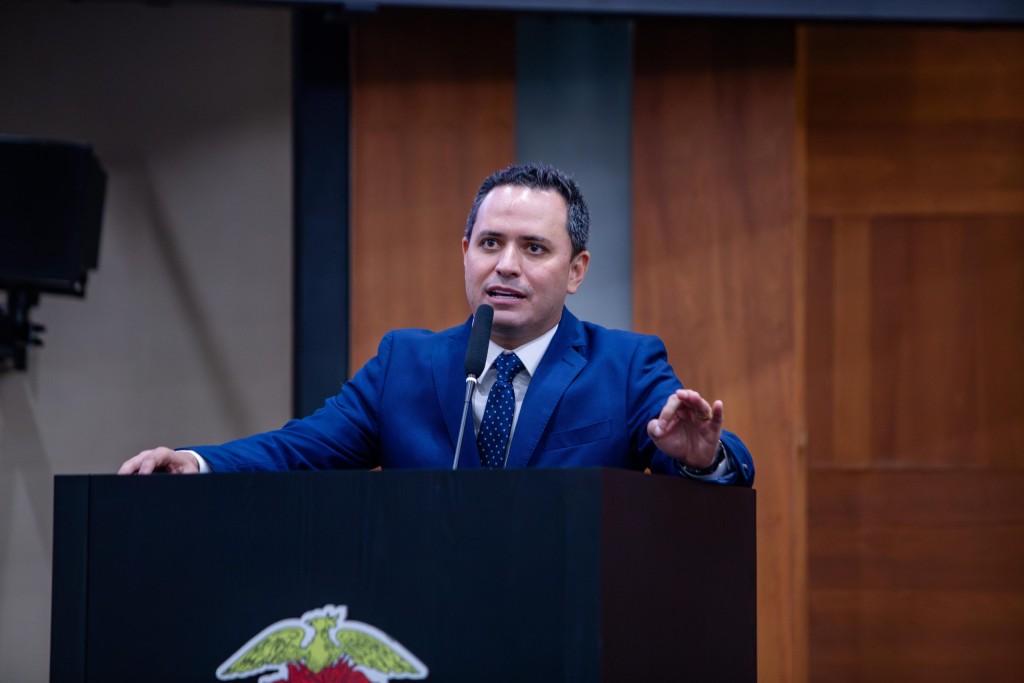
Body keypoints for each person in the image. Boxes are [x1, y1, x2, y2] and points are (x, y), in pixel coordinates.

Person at [120, 162, 753, 485]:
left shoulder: (625, 366)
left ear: (576, 270)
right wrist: (196, 463)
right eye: (490, 243)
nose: (506, 266)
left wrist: (705, 459)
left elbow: (710, 465)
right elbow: (300, 449)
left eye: (534, 248)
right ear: (465, 252)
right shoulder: (405, 364)